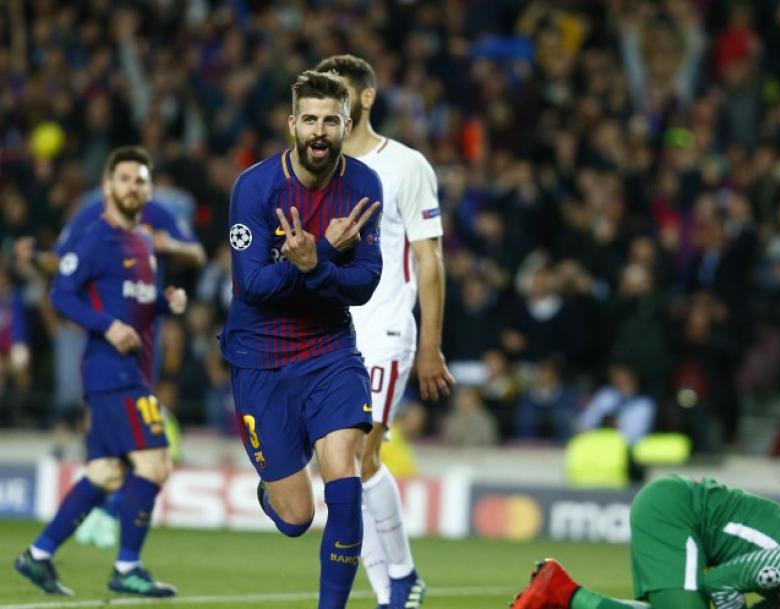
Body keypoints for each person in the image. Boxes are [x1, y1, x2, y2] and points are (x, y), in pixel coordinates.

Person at [219, 69, 383, 609]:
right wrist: (320, 259)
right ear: (292, 124)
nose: (319, 131)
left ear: (346, 124)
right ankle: (274, 489)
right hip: (259, 358)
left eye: (330, 121)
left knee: (345, 485)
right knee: (296, 518)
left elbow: (365, 284)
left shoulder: (363, 186)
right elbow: (254, 285)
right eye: (309, 119)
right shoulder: (255, 187)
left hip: (329, 350)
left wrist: (317, 266)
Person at [13, 146, 187, 597]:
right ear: (108, 186)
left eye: (141, 180)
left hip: (134, 371)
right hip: (112, 372)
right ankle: (127, 567)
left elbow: (136, 305)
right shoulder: (96, 238)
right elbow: (61, 294)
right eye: (125, 178)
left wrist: (164, 304)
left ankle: (38, 555)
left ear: (149, 189)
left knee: (107, 473)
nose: (134, 186)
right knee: (154, 462)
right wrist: (106, 325)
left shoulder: (145, 243)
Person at [314, 54, 455, 609]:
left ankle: (398, 580)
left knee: (356, 456)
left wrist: (429, 345)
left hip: (386, 332)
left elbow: (430, 259)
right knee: (342, 470)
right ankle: (396, 584)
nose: (330, 112)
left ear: (365, 99)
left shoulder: (406, 165)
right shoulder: (317, 172)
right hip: (328, 339)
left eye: (340, 96)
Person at [511, 475, 780, 609]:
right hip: (677, 510)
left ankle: (558, 590)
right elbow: (719, 583)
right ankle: (564, 594)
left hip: (687, 519)